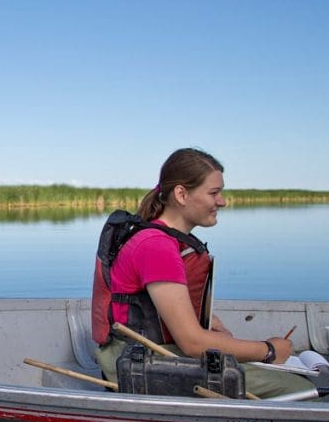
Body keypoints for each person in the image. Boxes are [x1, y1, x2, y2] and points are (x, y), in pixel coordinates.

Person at [95, 147, 313, 399]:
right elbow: (192, 342)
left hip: (148, 350)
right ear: (181, 194)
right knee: (303, 390)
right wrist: (269, 351)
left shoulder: (163, 238)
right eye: (214, 193)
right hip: (137, 359)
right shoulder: (156, 246)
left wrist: (207, 321)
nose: (222, 201)